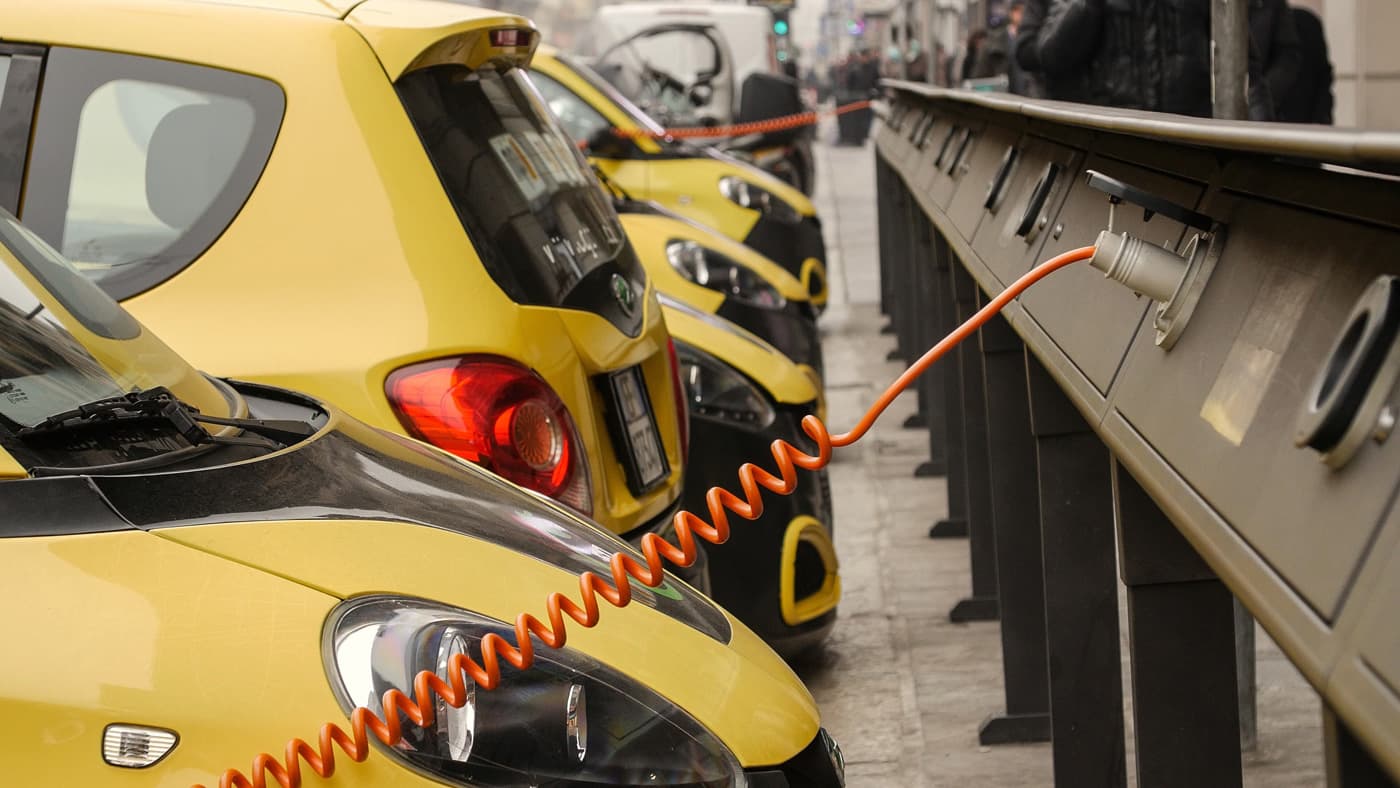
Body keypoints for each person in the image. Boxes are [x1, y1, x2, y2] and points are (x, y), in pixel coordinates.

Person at [1026, 0, 1298, 119]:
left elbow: (1244, 68)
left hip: (1187, 139)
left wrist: (1260, 154)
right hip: (1114, 141)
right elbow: (1051, 56)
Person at [1276, 5, 1333, 124]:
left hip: (1281, 121)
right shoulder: (1309, 22)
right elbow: (1325, 77)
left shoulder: (1306, 23)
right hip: (1310, 122)